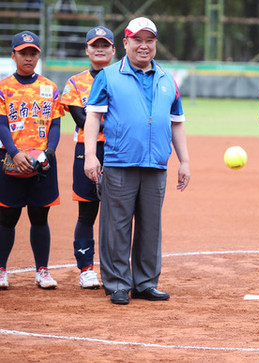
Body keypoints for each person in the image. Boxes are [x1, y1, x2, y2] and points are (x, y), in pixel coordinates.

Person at [84, 17, 191, 305]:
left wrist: (184, 161)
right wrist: (92, 155)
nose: (144, 46)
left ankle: (145, 283)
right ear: (126, 43)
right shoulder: (108, 75)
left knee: (150, 226)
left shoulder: (168, 78)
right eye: (138, 39)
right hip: (119, 162)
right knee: (116, 226)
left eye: (150, 40)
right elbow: (93, 116)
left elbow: (176, 122)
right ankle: (118, 283)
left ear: (155, 43)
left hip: (156, 164)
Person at [0, 31, 63, 289]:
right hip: (10, 159)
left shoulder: (49, 87)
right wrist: (15, 153)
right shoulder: (4, 87)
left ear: (38, 55)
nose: (28, 57)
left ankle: (42, 271)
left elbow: (56, 125)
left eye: (33, 52)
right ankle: (1, 269)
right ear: (13, 54)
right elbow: (2, 125)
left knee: (39, 216)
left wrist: (48, 152)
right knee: (7, 217)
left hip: (42, 162)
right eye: (23, 52)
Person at [61, 26, 116, 289]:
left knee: (117, 213)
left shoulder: (122, 78)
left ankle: (114, 268)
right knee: (87, 212)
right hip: (87, 150)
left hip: (118, 151)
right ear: (87, 50)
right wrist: (116, 123)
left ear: (114, 50)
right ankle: (86, 269)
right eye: (95, 45)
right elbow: (81, 119)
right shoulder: (75, 82)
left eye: (105, 45)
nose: (100, 49)